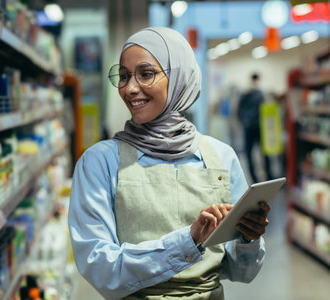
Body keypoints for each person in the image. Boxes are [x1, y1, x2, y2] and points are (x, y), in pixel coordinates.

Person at [68, 27, 270, 300]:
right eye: (124, 76)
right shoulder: (99, 162)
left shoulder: (221, 157)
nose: (130, 88)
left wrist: (249, 238)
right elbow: (101, 269)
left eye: (146, 74)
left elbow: (241, 272)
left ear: (179, 78)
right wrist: (187, 241)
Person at [237, 73, 274, 183]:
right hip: (257, 127)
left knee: (254, 154)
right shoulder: (259, 94)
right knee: (261, 153)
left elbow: (239, 112)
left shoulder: (248, 94)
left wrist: (244, 122)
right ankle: (266, 176)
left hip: (252, 127)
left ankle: (257, 178)